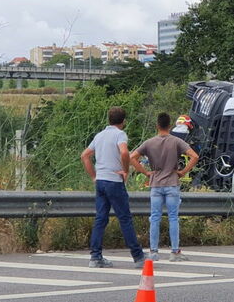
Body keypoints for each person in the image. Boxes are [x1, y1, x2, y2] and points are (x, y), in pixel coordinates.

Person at [80, 106, 146, 269]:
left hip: (101, 181)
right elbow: (125, 153)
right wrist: (125, 170)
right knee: (125, 218)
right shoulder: (120, 134)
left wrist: (94, 176)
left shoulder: (100, 135)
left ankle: (95, 256)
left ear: (109, 119)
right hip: (114, 181)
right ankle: (138, 256)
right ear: (123, 121)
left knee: (101, 218)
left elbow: (85, 155)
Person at [130, 113, 199, 262]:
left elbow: (132, 157)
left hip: (155, 184)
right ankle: (175, 252)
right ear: (169, 126)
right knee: (173, 217)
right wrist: (183, 172)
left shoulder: (149, 143)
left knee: (154, 218)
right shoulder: (176, 141)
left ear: (157, 125)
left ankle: (153, 252)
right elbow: (195, 156)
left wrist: (146, 172)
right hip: (172, 183)